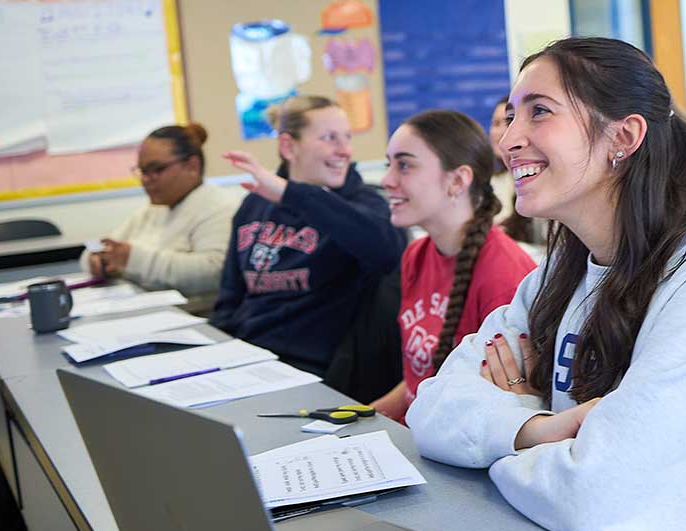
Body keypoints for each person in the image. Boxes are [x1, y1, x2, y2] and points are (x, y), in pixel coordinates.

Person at [406, 37, 686, 531]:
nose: (510, 139)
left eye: (539, 112)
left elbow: (597, 493)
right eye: (511, 116)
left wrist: (497, 430)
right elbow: (432, 410)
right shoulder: (565, 264)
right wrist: (536, 428)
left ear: (623, 136)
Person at [212, 95, 403, 373]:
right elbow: (229, 297)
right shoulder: (255, 204)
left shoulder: (365, 204)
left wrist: (291, 194)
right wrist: (219, 356)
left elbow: (387, 252)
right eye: (329, 138)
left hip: (312, 369)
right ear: (288, 146)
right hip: (247, 358)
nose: (345, 150)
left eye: (347, 138)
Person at [369, 110, 536, 423]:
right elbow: (422, 378)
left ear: (458, 180)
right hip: (420, 432)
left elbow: (495, 411)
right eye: (388, 164)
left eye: (404, 165)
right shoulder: (416, 255)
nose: (386, 181)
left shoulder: (505, 275)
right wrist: (367, 415)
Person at [81, 124, 236, 302]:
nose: (146, 179)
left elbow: (213, 272)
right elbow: (102, 248)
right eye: (142, 171)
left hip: (192, 316)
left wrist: (131, 260)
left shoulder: (218, 207)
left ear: (192, 166)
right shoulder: (155, 209)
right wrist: (98, 260)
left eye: (156, 170)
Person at [488, 94, 544, 245]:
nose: (500, 133)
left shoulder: (546, 183)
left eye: (507, 122)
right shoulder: (490, 184)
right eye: (495, 123)